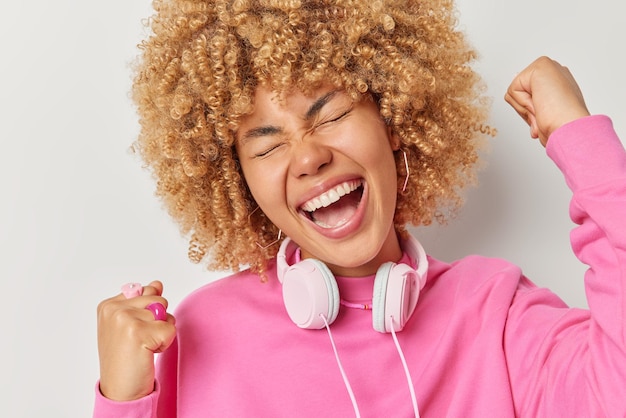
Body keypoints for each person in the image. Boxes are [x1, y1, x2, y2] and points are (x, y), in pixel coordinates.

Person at [94, 0, 626, 417]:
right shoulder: (205, 333)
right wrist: (122, 402)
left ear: (393, 120)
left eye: (330, 115)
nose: (308, 157)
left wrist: (579, 140)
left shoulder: (497, 312)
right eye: (268, 144)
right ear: (239, 182)